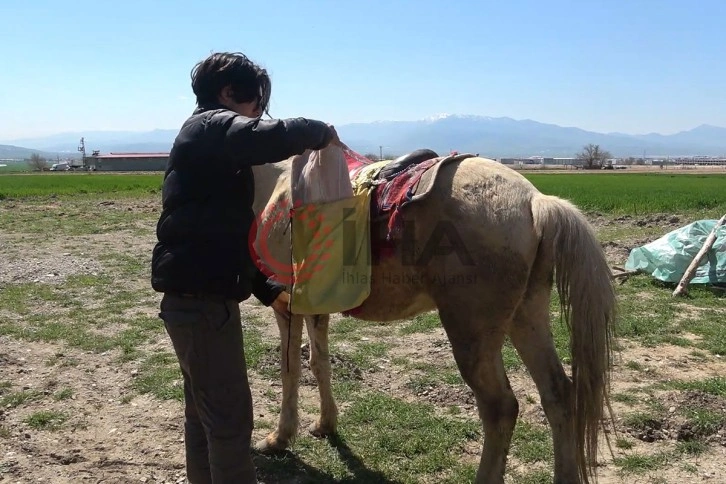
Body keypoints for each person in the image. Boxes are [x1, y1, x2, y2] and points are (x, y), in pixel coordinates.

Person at [151, 51, 338, 483]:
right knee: (232, 423)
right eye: (256, 102)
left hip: (194, 300)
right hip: (203, 307)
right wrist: (319, 132)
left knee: (204, 417)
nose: (258, 111)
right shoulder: (210, 126)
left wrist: (266, 288)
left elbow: (221, 237)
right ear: (228, 92)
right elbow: (266, 137)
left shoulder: (207, 144)